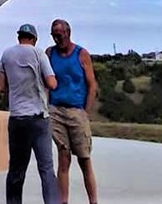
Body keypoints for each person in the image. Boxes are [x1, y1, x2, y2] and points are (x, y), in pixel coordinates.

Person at [0, 24, 60, 204]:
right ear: (33, 38)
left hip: (17, 119)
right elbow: (52, 83)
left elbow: (0, 88)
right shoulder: (39, 53)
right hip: (39, 118)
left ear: (19, 37)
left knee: (16, 170)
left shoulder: (6, 54)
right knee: (46, 169)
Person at [47, 19, 99, 204]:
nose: (57, 38)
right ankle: (63, 201)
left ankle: (93, 201)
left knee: (84, 159)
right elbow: (45, 81)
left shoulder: (81, 54)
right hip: (56, 110)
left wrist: (86, 112)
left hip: (77, 110)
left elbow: (92, 85)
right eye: (54, 35)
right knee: (63, 157)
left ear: (68, 33)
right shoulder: (50, 53)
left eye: (60, 35)